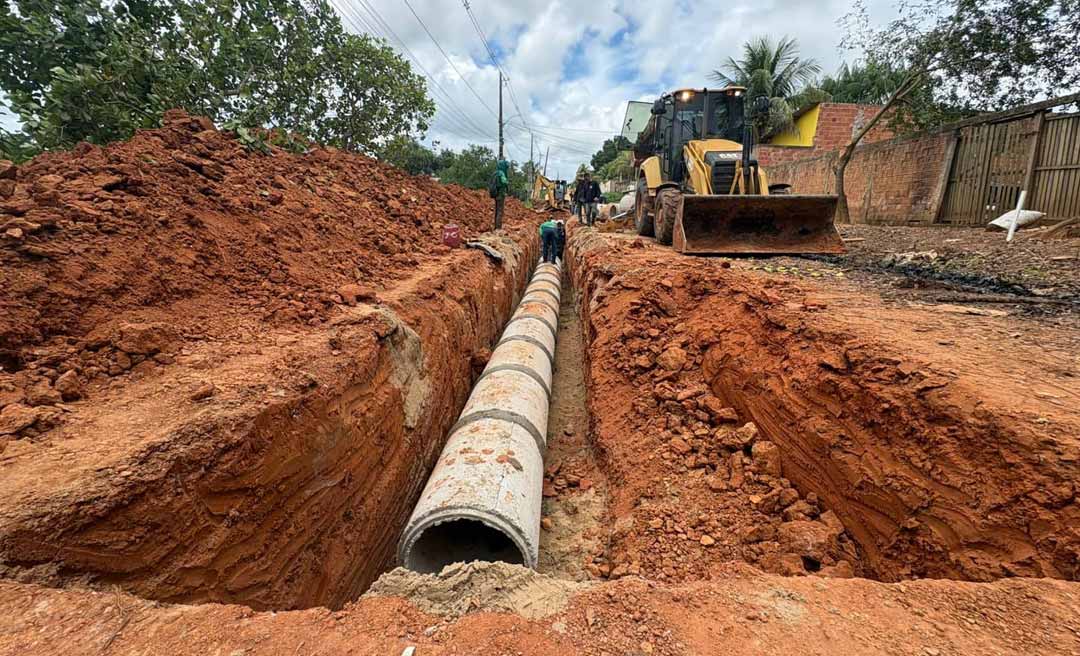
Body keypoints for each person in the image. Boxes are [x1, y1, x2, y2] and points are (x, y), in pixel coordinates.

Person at [489, 159, 510, 229]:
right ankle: (498, 228)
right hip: (500, 194)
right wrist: (507, 182)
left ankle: (495, 226)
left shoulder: (495, 173)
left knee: (497, 210)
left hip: (495, 194)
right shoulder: (501, 173)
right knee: (500, 211)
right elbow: (504, 182)